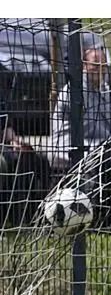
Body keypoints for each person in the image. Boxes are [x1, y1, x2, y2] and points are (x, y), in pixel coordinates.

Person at [1, 94, 51, 228]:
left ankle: (37, 215)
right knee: (8, 161)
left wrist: (15, 142)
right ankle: (12, 217)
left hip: (3, 146)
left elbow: (6, 128)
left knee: (38, 160)